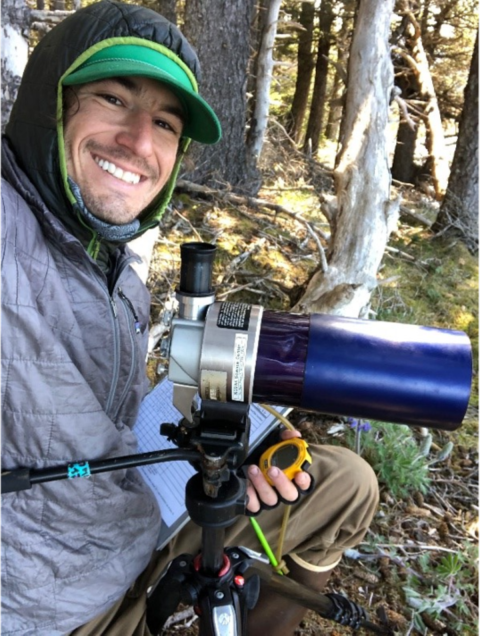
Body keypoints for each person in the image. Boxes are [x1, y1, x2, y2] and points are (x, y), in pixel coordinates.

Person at [0, 2, 378, 634]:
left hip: (128, 529)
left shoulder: (107, 258)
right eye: (114, 99)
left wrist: (234, 459)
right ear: (54, 102)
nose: (141, 141)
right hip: (49, 611)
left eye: (167, 123)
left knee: (346, 484)